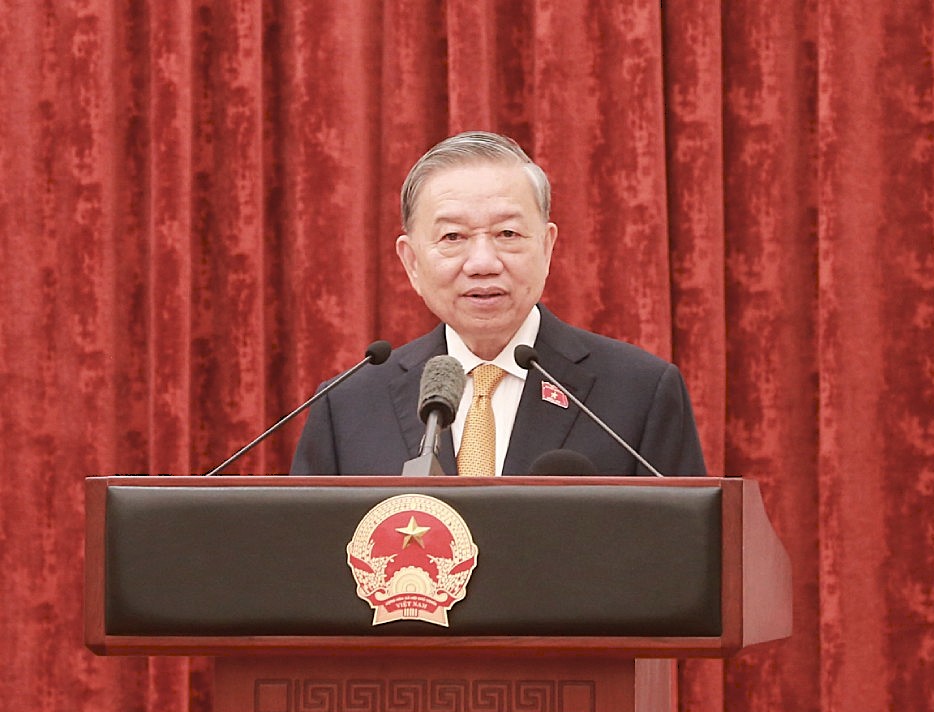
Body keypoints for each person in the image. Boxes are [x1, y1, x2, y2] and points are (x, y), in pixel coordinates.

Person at [290, 131, 706, 477]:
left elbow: (684, 559)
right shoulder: (347, 406)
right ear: (411, 262)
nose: (484, 263)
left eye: (507, 234)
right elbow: (306, 561)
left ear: (546, 247)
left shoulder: (640, 392)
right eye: (453, 238)